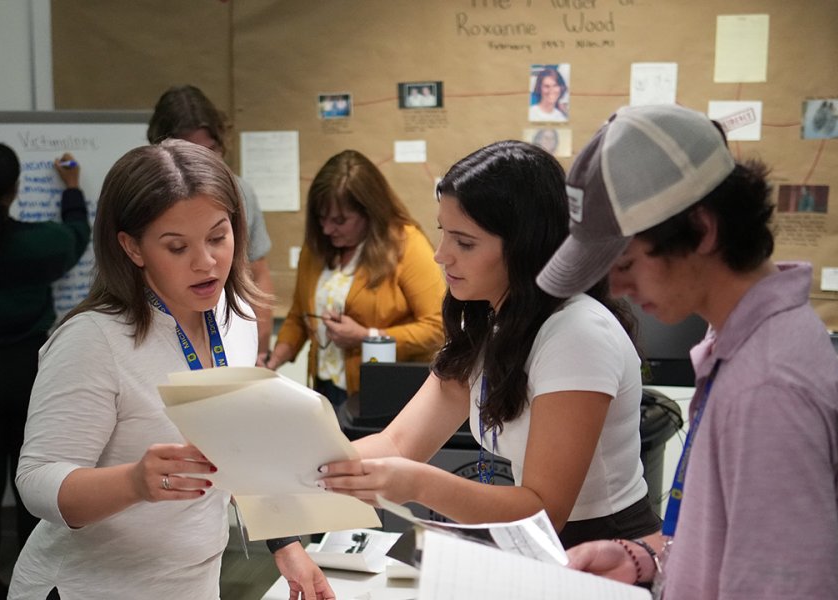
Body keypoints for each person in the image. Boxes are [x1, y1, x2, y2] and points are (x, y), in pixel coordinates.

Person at [538, 104, 838, 598]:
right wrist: (649, 557)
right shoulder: (740, 345)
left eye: (626, 262)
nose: (616, 287)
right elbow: (734, 537)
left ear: (703, 230)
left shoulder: (767, 388)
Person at [9, 140, 334, 599]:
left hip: (191, 581)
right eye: (177, 247)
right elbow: (36, 482)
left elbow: (238, 452)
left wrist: (285, 542)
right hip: (89, 587)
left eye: (219, 237)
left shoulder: (234, 318)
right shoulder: (93, 339)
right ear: (132, 247)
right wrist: (133, 481)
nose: (206, 262)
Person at [318, 141, 660, 547]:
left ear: (524, 245)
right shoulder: (489, 320)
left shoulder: (577, 332)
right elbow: (398, 443)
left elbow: (544, 510)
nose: (440, 256)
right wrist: (289, 469)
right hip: (539, 545)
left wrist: (418, 484)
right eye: (444, 233)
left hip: (605, 550)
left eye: (464, 242)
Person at [0, 143, 89, 599]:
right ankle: (34, 584)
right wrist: (72, 188)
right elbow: (77, 236)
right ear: (15, 189)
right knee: (33, 482)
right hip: (33, 374)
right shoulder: (39, 242)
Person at [264, 150, 444, 407]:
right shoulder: (318, 245)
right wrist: (273, 360)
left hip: (381, 393)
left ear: (370, 212)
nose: (327, 229)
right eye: (321, 218)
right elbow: (299, 315)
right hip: (324, 389)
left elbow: (437, 328)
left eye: (339, 220)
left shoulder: (406, 244)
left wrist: (366, 336)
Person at [147, 84, 276, 366]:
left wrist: (261, 341)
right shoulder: (147, 198)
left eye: (217, 237)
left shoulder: (240, 192)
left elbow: (258, 272)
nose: (202, 161)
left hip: (228, 335)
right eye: (178, 246)